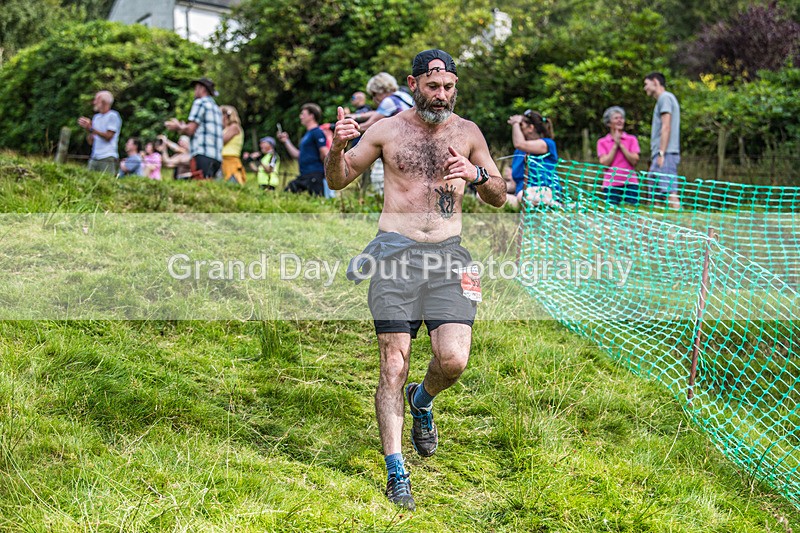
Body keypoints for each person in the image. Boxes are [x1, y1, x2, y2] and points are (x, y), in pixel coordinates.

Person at [325, 49, 506, 511]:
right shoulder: (386, 130)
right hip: (395, 258)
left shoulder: (469, 133)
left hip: (450, 258)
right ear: (413, 84)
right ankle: (396, 470)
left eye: (448, 87)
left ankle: (421, 400)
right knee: (393, 365)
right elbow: (340, 180)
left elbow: (499, 195)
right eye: (433, 86)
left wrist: (477, 174)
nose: (441, 95)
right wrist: (336, 149)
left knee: (454, 361)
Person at [164, 77, 223, 180]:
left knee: (200, 185)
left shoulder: (200, 103)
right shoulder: (216, 108)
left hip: (203, 154)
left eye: (196, 88)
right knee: (209, 185)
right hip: (217, 157)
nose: (194, 91)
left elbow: (190, 130)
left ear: (202, 89)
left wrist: (178, 127)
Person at [507, 110, 561, 208]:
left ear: (530, 128)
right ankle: (524, 206)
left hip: (545, 191)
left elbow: (519, 144)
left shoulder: (547, 144)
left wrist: (515, 123)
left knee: (523, 195)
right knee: (483, 196)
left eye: (521, 125)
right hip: (521, 194)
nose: (518, 129)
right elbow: (513, 185)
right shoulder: (518, 152)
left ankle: (557, 205)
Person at [644, 72, 681, 210]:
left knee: (669, 191)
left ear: (655, 81)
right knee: (654, 194)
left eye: (646, 84)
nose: (645, 88)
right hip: (660, 153)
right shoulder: (662, 100)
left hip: (666, 153)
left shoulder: (665, 98)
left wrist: (661, 153)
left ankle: (680, 217)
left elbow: (666, 126)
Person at [278, 103, 328, 196]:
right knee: (287, 193)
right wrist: (286, 141)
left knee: (318, 201)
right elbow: (298, 155)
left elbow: (324, 153)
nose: (300, 117)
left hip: (315, 174)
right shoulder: (307, 135)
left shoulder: (317, 132)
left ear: (311, 116)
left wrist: (329, 173)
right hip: (305, 175)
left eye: (303, 114)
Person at [597, 106, 640, 205]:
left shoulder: (632, 139)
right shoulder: (602, 142)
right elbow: (605, 163)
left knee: (631, 211)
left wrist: (621, 145)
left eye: (621, 118)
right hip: (611, 184)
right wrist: (615, 146)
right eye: (616, 118)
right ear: (609, 123)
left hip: (630, 183)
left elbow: (634, 160)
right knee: (612, 212)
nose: (620, 120)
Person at [77, 90, 122, 174]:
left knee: (106, 181)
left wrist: (91, 128)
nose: (94, 102)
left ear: (104, 102)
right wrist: (88, 128)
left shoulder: (113, 116)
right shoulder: (96, 117)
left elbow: (108, 136)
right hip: (94, 156)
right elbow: (90, 142)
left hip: (107, 156)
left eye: (96, 100)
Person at [220, 105, 247, 185]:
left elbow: (222, 140)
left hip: (231, 161)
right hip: (224, 161)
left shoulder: (234, 127)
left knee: (232, 184)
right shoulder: (226, 129)